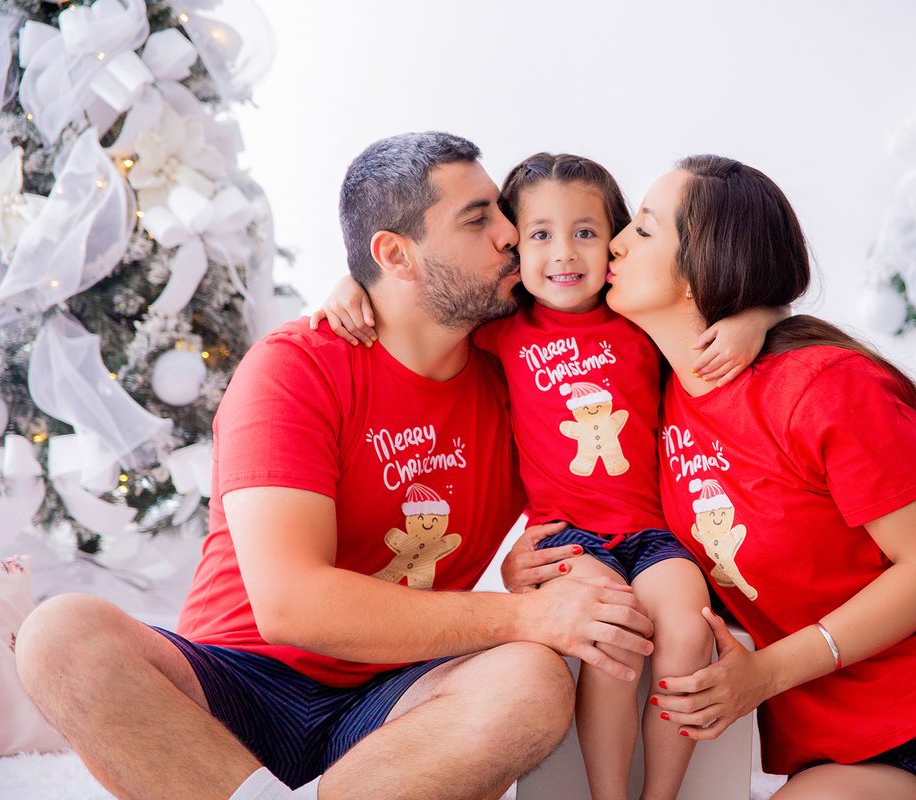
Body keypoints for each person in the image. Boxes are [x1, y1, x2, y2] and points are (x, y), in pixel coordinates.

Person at [15, 132, 657, 800]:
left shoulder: (524, 382)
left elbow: (656, 377)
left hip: (398, 703)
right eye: (478, 219)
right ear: (395, 255)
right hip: (236, 688)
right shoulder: (296, 368)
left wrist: (727, 327)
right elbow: (292, 605)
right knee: (59, 635)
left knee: (530, 682)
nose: (511, 234)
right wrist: (526, 616)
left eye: (501, 212)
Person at [595, 155, 916, 800]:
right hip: (850, 748)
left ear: (704, 269)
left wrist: (763, 674)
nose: (615, 241)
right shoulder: (640, 397)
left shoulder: (823, 386)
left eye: (643, 228)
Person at [312, 151, 785, 800]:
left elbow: (727, 307)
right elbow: (417, 302)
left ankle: (663, 796)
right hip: (568, 538)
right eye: (540, 234)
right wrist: (352, 285)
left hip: (655, 534)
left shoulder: (637, 319)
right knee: (612, 629)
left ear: (615, 240)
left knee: (687, 625)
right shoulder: (504, 328)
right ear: (514, 247)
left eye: (585, 232)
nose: (564, 253)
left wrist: (757, 318)